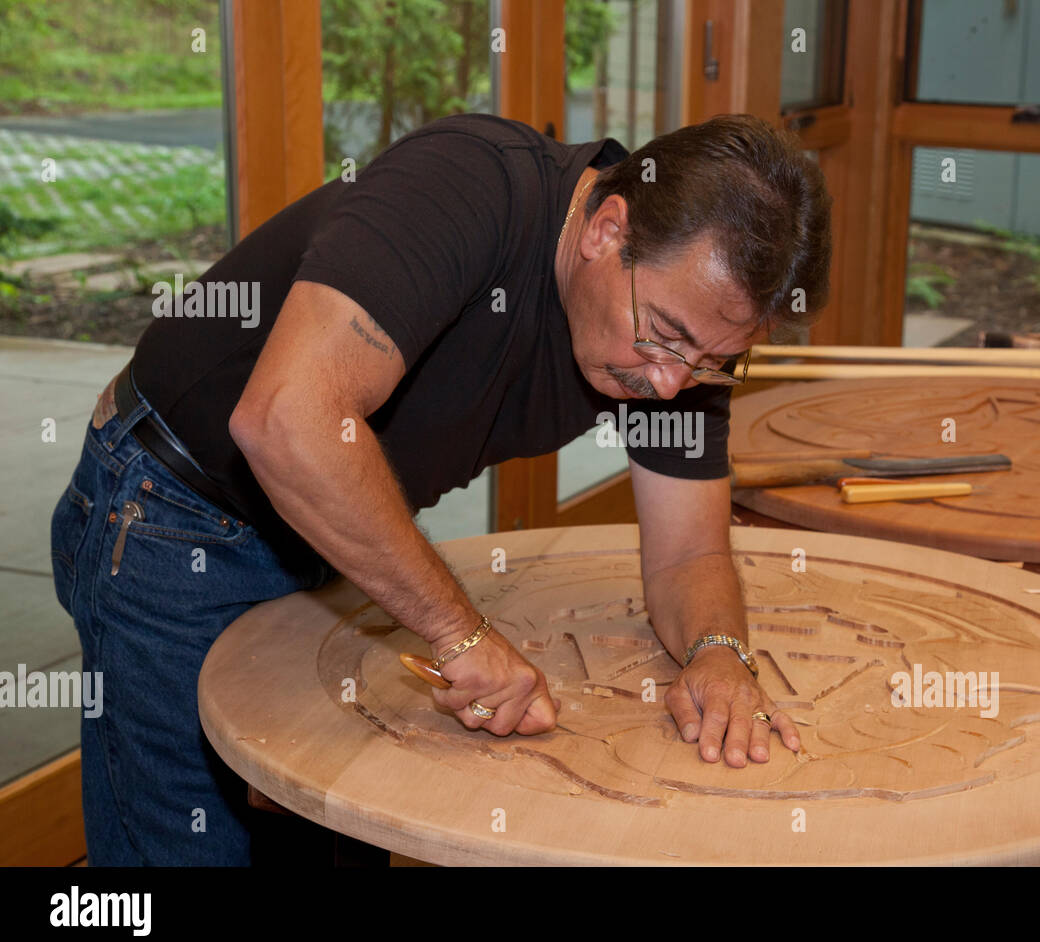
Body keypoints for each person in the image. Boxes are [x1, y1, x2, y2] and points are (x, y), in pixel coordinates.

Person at [49, 112, 832, 865]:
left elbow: (688, 549)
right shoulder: (467, 184)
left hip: (336, 535)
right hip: (174, 510)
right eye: (665, 337)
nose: (668, 387)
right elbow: (289, 421)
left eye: (710, 364)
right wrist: (459, 631)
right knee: (189, 847)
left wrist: (720, 653)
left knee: (332, 823)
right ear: (607, 230)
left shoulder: (689, 338)